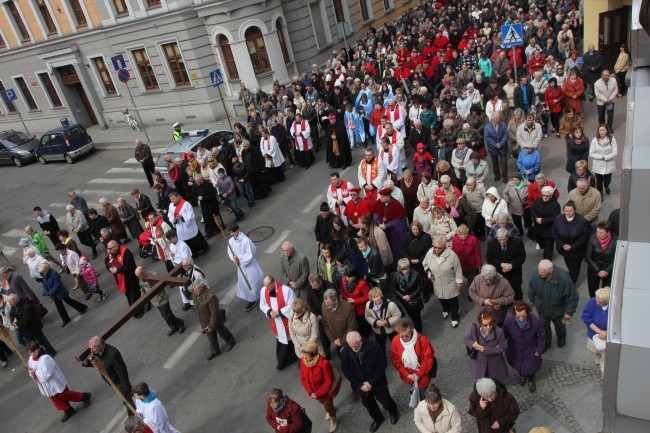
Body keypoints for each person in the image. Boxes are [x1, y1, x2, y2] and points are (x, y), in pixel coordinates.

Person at [340, 331, 399, 432]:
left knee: (386, 402)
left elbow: (381, 366)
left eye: (356, 345)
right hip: (361, 386)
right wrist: (359, 385)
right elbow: (346, 371)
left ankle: (393, 412)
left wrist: (371, 382)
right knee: (369, 405)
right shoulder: (345, 351)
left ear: (360, 340)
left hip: (377, 382)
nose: (354, 348)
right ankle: (378, 419)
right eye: (351, 346)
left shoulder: (374, 347)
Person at [27, 341, 91, 422]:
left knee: (64, 395)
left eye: (34, 351)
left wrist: (34, 372)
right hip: (44, 384)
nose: (32, 354)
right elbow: (30, 370)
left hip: (54, 382)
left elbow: (47, 375)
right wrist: (31, 373)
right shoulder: (30, 359)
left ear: (38, 349)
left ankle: (84, 396)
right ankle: (68, 410)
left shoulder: (45, 358)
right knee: (54, 398)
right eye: (30, 352)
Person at [528, 260, 578, 349]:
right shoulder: (536, 274)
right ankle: (546, 342)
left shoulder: (564, 278)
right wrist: (532, 300)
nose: (539, 273)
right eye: (539, 270)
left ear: (551, 271)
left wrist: (569, 312)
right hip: (542, 309)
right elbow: (531, 288)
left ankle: (561, 337)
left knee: (560, 327)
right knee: (544, 328)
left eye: (542, 272)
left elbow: (572, 297)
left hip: (558, 311)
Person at [183, 281, 235, 360]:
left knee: (222, 332)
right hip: (204, 321)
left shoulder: (211, 297)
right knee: (211, 337)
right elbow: (190, 296)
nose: (194, 291)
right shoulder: (195, 293)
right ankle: (215, 351)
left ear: (202, 287)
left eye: (196, 290)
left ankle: (231, 342)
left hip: (214, 321)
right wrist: (184, 289)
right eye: (194, 289)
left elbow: (214, 313)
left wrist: (211, 325)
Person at [502, 301, 546, 393]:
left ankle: (531, 380)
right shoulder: (509, 319)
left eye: (524, 316)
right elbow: (504, 333)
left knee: (530, 368)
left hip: (530, 350)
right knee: (518, 365)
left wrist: (539, 349)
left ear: (527, 312)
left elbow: (542, 335)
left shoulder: (535, 320)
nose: (521, 318)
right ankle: (521, 375)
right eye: (518, 316)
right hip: (515, 349)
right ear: (514, 314)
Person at [83, 336, 134, 414]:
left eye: (93, 348)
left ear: (100, 346)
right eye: (90, 348)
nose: (91, 351)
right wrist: (87, 363)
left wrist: (126, 387)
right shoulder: (97, 351)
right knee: (128, 398)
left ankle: (133, 416)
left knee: (127, 401)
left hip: (119, 382)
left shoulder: (113, 354)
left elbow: (122, 372)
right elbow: (99, 364)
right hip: (111, 381)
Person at [299, 341, 342, 432]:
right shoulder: (303, 361)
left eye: (306, 354)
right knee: (324, 404)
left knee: (328, 406)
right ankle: (331, 410)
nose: (304, 356)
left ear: (313, 355)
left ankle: (333, 418)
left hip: (325, 393)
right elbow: (303, 378)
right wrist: (310, 393)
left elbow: (328, 382)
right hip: (314, 393)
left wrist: (317, 394)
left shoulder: (324, 364)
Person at [423, 236, 464, 328]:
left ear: (444, 247)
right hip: (437, 281)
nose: (437, 249)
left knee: (452, 300)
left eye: (439, 247)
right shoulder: (429, 253)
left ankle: (454, 317)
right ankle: (445, 309)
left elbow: (458, 268)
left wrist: (459, 281)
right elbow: (425, 264)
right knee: (441, 297)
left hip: (449, 281)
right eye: (435, 247)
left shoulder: (452, 255)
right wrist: (428, 271)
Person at [390, 318, 435, 400]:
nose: (403, 338)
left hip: (422, 377)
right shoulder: (395, 341)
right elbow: (396, 361)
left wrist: (417, 375)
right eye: (401, 335)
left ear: (411, 331)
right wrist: (408, 375)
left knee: (423, 397)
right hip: (409, 377)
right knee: (414, 392)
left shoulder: (422, 340)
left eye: (406, 335)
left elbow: (428, 360)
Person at [260, 276, 297, 370]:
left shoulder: (286, 290)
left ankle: (292, 358)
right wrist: (269, 311)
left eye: (268, 286)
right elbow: (262, 304)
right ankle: (282, 361)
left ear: (274, 283)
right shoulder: (264, 290)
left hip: (285, 318)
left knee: (291, 339)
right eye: (265, 286)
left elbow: (293, 304)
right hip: (276, 321)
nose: (266, 289)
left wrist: (280, 312)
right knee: (281, 340)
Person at [135, 267, 185, 336]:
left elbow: (161, 283)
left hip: (162, 298)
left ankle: (180, 323)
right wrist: (143, 298)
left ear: (143, 271)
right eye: (137, 276)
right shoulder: (140, 280)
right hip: (155, 301)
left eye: (139, 275)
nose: (138, 277)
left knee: (167, 315)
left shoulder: (153, 275)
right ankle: (173, 326)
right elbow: (142, 288)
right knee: (165, 315)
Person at [464, 310, 509, 382]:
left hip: (494, 364)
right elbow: (466, 339)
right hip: (478, 362)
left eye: (491, 324)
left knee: (495, 382)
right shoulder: (473, 328)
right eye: (485, 325)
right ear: (480, 323)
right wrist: (473, 344)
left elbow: (503, 346)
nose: (488, 327)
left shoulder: (499, 331)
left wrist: (485, 349)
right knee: (482, 382)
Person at [38, 262, 87, 327]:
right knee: (59, 307)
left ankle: (82, 308)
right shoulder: (43, 274)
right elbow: (44, 284)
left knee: (69, 301)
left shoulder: (54, 273)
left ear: (47, 269)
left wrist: (50, 292)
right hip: (53, 294)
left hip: (60, 292)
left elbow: (57, 285)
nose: (42, 273)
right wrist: (46, 291)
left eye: (43, 271)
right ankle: (65, 319)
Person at [552, 201, 590, 284]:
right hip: (564, 250)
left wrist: (572, 246)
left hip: (577, 251)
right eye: (566, 211)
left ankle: (571, 284)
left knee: (574, 269)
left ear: (574, 211)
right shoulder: (558, 219)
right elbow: (555, 233)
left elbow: (583, 237)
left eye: (570, 211)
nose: (568, 213)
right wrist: (562, 245)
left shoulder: (582, 221)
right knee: (569, 265)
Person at [228, 225, 263, 311]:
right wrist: (234, 259)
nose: (232, 234)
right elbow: (230, 251)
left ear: (238, 230)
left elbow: (250, 253)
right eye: (231, 232)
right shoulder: (231, 241)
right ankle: (251, 299)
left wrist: (238, 258)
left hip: (249, 266)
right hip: (241, 266)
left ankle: (263, 295)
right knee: (246, 284)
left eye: (233, 232)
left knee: (255, 282)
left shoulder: (246, 240)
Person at [486, 228, 526, 301]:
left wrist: (511, 265)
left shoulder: (517, 242)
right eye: (499, 239)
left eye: (503, 239)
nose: (501, 242)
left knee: (517, 293)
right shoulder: (491, 243)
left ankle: (519, 307)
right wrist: (501, 264)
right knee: (501, 293)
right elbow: (489, 259)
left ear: (508, 236)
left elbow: (522, 257)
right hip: (500, 274)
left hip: (515, 273)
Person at [106, 240, 144, 318]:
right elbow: (107, 261)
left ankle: (138, 312)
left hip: (130, 279)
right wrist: (109, 268)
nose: (109, 251)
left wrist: (117, 270)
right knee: (130, 297)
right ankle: (140, 307)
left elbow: (129, 266)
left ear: (116, 246)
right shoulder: (111, 253)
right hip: (121, 281)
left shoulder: (126, 252)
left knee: (134, 297)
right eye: (108, 249)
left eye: (110, 249)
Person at [372, 187, 409, 263]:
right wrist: (379, 224)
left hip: (393, 232)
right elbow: (375, 215)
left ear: (388, 197)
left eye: (383, 197)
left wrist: (387, 225)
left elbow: (399, 221)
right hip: (382, 231)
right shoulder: (379, 203)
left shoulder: (396, 205)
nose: (380, 198)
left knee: (395, 248)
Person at [167, 191, 209, 257]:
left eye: (174, 199)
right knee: (187, 242)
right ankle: (194, 253)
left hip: (188, 225)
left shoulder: (185, 204)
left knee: (195, 239)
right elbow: (170, 215)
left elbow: (191, 214)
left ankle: (205, 247)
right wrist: (173, 219)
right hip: (180, 227)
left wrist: (182, 217)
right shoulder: (171, 206)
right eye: (171, 199)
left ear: (177, 197)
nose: (173, 201)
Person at [581, 287, 610, 378]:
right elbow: (586, 317)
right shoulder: (593, 301)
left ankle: (604, 374)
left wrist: (607, 333)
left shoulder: (614, 306)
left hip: (607, 337)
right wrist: (599, 331)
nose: (597, 303)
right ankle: (597, 355)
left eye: (600, 302)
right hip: (593, 334)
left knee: (606, 357)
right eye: (597, 301)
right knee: (594, 348)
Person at [585, 221, 617, 299]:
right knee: (593, 290)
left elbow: (616, 259)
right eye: (597, 231)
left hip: (608, 270)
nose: (598, 234)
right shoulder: (593, 238)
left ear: (608, 232)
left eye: (601, 233)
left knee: (606, 291)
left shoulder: (616, 241)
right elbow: (588, 257)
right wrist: (598, 271)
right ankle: (594, 303)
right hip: (594, 269)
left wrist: (606, 271)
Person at [321, 288, 358, 354]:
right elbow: (325, 324)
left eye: (328, 302)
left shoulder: (348, 308)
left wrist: (342, 341)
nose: (326, 304)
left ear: (336, 300)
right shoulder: (324, 305)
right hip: (336, 341)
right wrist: (334, 340)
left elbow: (352, 327)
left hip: (348, 341)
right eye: (325, 301)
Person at [530, 186, 561, 260]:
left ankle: (547, 259)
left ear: (551, 195)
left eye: (547, 196)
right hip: (538, 228)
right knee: (542, 243)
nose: (545, 197)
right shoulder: (537, 201)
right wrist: (535, 216)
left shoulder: (555, 205)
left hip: (549, 230)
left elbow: (556, 218)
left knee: (549, 246)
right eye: (543, 195)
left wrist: (543, 221)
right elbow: (532, 210)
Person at [165, 229, 193, 310]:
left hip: (186, 267)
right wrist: (172, 257)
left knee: (189, 284)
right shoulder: (171, 245)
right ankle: (186, 301)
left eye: (171, 239)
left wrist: (175, 255)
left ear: (175, 237)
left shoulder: (183, 245)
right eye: (169, 240)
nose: (170, 241)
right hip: (178, 267)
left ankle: (192, 300)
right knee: (181, 285)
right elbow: (172, 257)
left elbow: (185, 259)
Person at [589, 124, 618, 197]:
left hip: (608, 164)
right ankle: (600, 195)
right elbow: (591, 153)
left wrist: (606, 157)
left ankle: (606, 186)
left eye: (603, 130)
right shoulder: (594, 140)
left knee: (607, 180)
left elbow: (615, 152)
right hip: (598, 164)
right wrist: (601, 157)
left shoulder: (612, 139)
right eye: (600, 130)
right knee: (599, 182)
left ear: (606, 130)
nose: (601, 132)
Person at [485, 112, 509, 182]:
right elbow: (487, 137)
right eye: (497, 118)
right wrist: (495, 144)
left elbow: (506, 134)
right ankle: (497, 175)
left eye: (499, 118)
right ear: (492, 118)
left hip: (503, 146)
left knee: (504, 163)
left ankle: (504, 176)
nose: (498, 120)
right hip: (493, 148)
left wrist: (501, 143)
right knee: (494, 163)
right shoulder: (487, 126)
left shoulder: (503, 124)